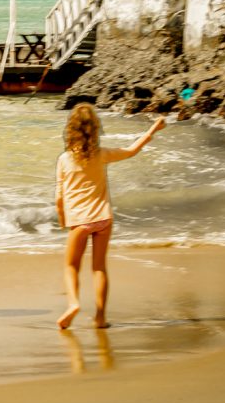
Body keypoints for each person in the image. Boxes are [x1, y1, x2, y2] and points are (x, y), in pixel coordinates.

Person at [55, 104, 166, 329]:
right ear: (95, 129)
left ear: (71, 130)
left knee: (71, 266)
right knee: (99, 268)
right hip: (103, 219)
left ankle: (74, 304)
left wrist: (62, 219)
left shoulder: (65, 159)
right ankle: (100, 317)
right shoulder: (102, 154)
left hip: (79, 221)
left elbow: (59, 197)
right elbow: (131, 150)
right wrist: (152, 130)